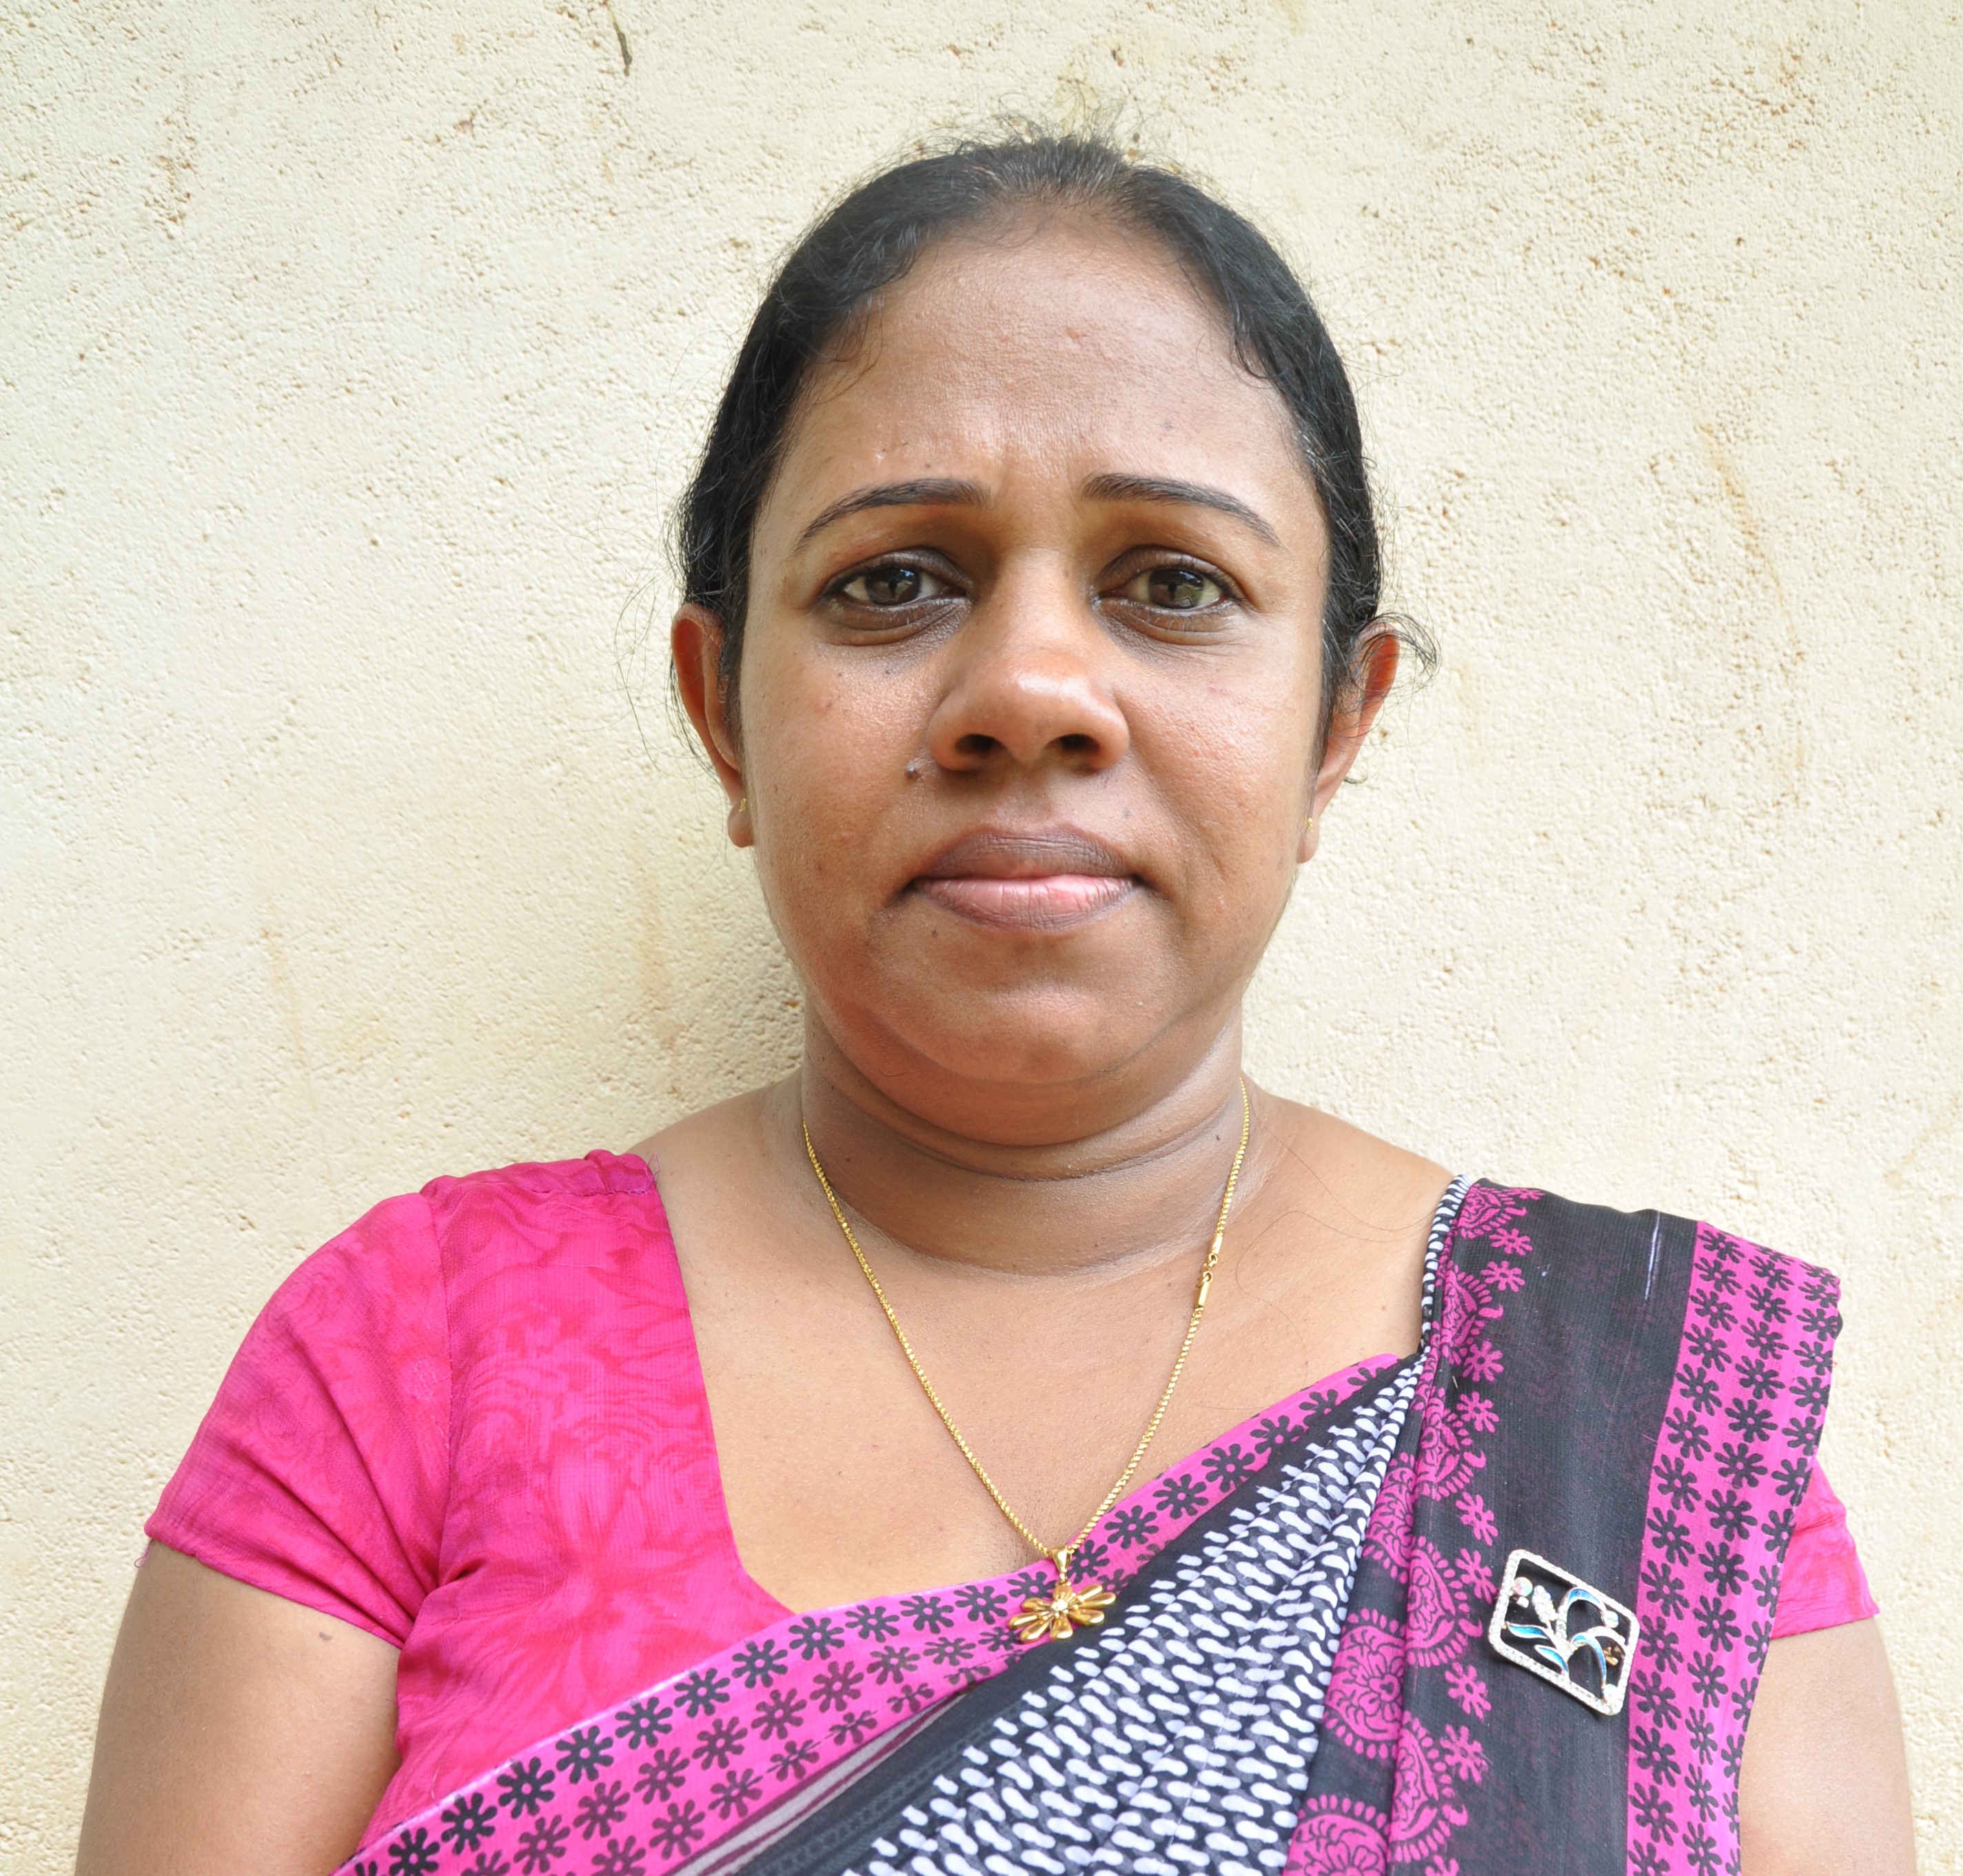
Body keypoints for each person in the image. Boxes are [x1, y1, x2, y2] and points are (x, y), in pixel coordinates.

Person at [76, 133, 1913, 1876]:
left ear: (1336, 726)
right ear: (724, 713)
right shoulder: (412, 1359)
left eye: (1174, 584)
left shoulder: (1634, 1442)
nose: (1031, 688)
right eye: (895, 581)